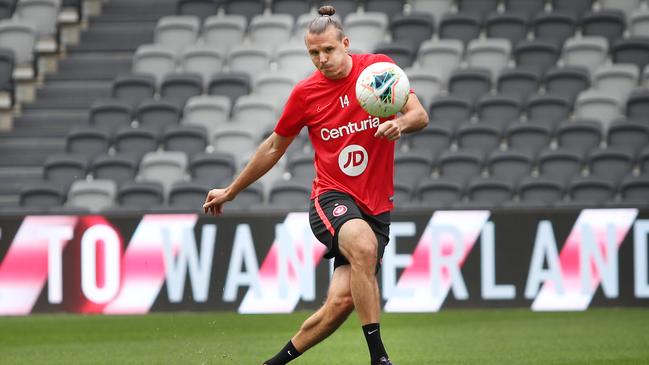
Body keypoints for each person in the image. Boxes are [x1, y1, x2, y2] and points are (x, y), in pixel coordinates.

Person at [203, 5, 429, 365]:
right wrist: (231, 190)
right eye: (313, 53)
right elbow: (275, 146)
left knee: (339, 303)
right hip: (332, 197)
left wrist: (401, 124)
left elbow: (419, 114)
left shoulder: (378, 71)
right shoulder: (306, 95)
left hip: (376, 204)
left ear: (345, 44)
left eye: (328, 50)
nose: (321, 59)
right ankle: (380, 358)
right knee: (364, 246)